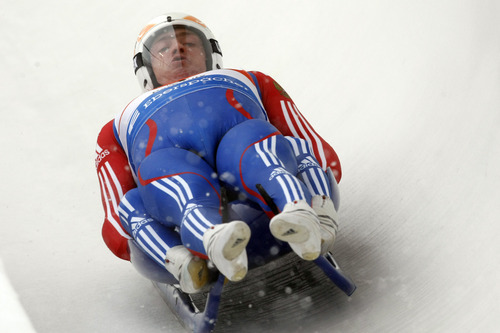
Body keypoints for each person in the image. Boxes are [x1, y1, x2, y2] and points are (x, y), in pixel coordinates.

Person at [95, 13, 342, 294]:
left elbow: (308, 142)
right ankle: (191, 252)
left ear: (211, 53)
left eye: (189, 42)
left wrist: (325, 192)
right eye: (163, 48)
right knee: (144, 195)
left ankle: (301, 211)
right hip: (172, 173)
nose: (177, 48)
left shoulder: (253, 80)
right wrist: (128, 245)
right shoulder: (114, 128)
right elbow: (116, 210)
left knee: (267, 146)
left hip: (247, 164)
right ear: (146, 69)